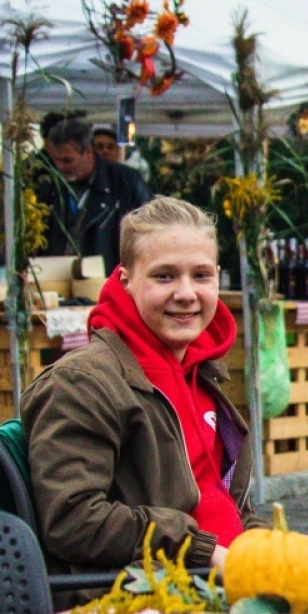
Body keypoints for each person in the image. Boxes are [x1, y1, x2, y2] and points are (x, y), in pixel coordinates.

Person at [21, 196, 263, 574]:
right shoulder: (82, 384)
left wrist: (267, 544)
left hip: (225, 578)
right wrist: (203, 551)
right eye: (164, 276)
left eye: (201, 276)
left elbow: (225, 500)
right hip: (147, 592)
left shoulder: (201, 372)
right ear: (126, 281)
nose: (186, 294)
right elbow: (73, 521)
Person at [38, 116, 152, 275]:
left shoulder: (126, 182)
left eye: (67, 160)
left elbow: (150, 232)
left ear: (88, 151)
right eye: (55, 160)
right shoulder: (49, 185)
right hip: (58, 279)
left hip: (110, 278)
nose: (60, 167)